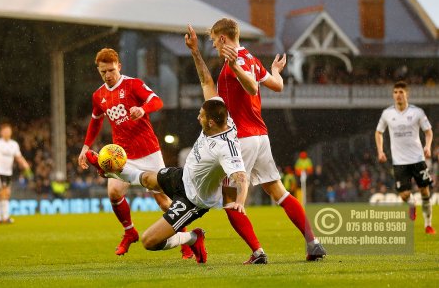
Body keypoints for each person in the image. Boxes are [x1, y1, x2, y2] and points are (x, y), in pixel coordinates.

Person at [185, 20, 326, 262]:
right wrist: (276, 71)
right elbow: (277, 85)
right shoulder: (251, 58)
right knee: (279, 192)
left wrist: (234, 67)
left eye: (213, 42)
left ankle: (258, 252)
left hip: (241, 140)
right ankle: (313, 244)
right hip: (260, 136)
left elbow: (250, 88)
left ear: (222, 39)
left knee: (230, 200)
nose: (214, 47)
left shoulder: (237, 62)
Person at [101, 94, 249, 264]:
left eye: (201, 115)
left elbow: (241, 177)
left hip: (193, 199)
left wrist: (240, 201)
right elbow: (207, 83)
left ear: (211, 122)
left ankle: (192, 238)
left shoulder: (227, 148)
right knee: (148, 178)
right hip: (182, 176)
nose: (197, 116)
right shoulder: (219, 116)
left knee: (149, 241)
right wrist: (199, 65)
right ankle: (111, 172)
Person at [78, 48, 193, 258]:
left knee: (164, 202)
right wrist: (86, 147)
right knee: (113, 192)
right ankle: (130, 232)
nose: (108, 75)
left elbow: (157, 101)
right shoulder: (99, 95)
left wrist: (143, 110)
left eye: (111, 70)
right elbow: (95, 122)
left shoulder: (133, 84)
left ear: (119, 66)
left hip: (148, 151)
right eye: (103, 72)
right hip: (122, 155)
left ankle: (186, 240)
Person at [375, 81, 435, 234]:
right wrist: (380, 151)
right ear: (393, 95)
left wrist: (427, 146)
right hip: (399, 162)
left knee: (425, 192)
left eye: (401, 92)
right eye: (395, 92)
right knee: (404, 195)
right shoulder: (387, 114)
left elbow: (428, 132)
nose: (398, 95)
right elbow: (378, 132)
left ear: (407, 94)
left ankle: (428, 225)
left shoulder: (417, 112)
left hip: (418, 159)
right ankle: (412, 203)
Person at [0, 123, 32, 224]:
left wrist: (26, 165)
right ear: (1, 132)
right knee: (3, 192)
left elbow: (18, 157)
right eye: (5, 131)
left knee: (6, 194)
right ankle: (2, 217)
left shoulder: (14, 144)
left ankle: (2, 217)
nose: (7, 132)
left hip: (8, 172)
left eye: (9, 130)